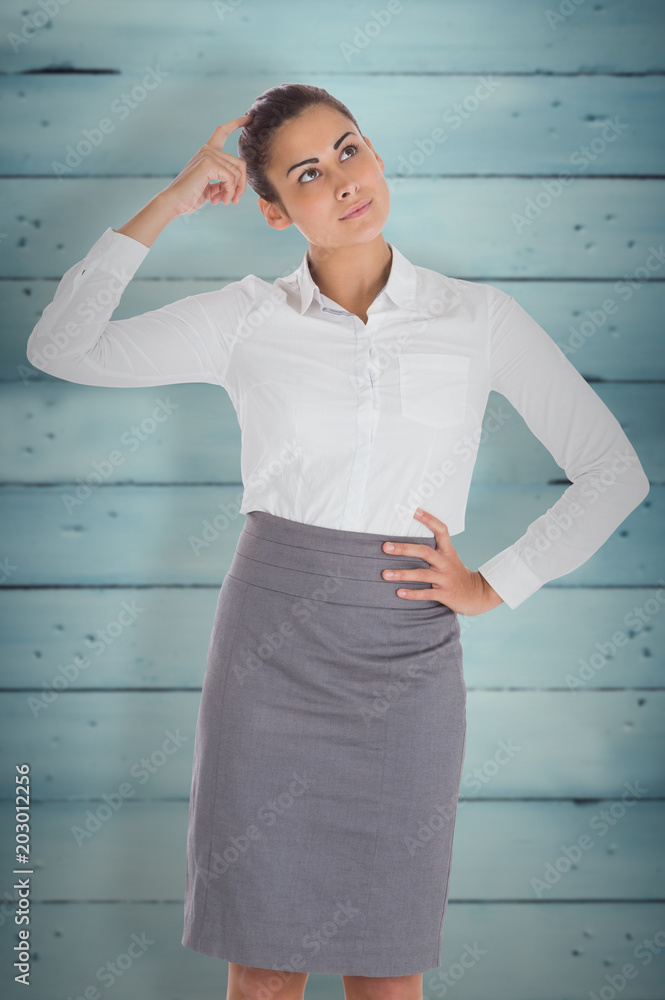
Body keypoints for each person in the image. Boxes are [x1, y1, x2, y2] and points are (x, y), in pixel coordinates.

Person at [25, 83, 650, 1000]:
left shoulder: (477, 318)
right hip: (270, 648)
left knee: (387, 973)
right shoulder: (244, 319)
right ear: (273, 211)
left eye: (349, 150)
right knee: (266, 969)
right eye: (307, 174)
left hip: (408, 655)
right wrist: (170, 198)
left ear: (379, 155)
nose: (343, 180)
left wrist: (492, 583)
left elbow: (612, 470)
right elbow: (62, 347)